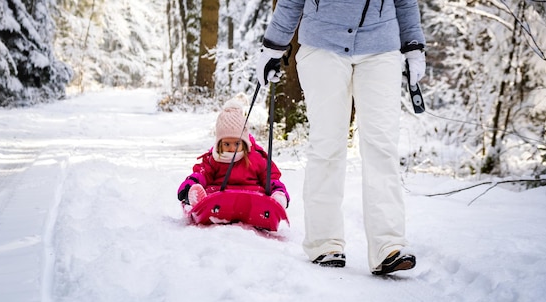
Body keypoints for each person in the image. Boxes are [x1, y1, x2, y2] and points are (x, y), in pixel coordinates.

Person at [256, 0, 425, 274]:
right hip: (323, 46)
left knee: (382, 146)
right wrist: (274, 45)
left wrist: (414, 45)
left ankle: (389, 246)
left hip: (381, 48)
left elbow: (405, 2)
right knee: (327, 144)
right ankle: (324, 242)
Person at [177, 99, 289, 210]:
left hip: (253, 197)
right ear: (219, 144)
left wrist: (278, 191)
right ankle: (198, 200)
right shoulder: (215, 158)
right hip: (218, 197)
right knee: (207, 192)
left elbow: (271, 178)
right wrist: (191, 184)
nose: (232, 149)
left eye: (237, 143)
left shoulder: (256, 157)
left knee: (266, 195)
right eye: (226, 144)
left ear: (244, 142)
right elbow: (202, 173)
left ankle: (276, 202)